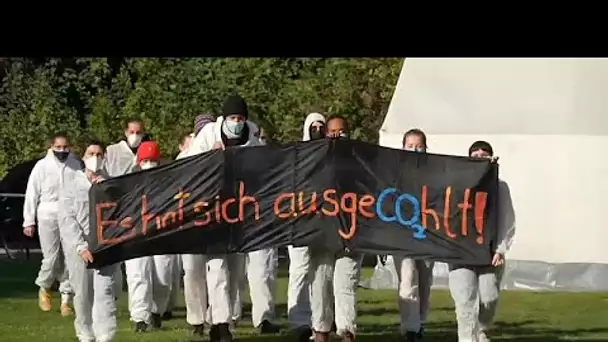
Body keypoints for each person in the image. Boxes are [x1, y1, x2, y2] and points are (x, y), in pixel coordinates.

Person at [186, 93, 267, 342]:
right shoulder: (208, 134)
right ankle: (219, 324)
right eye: (232, 117)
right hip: (214, 210)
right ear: (224, 118)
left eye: (240, 117)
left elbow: (266, 166)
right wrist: (209, 157)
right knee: (217, 267)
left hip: (241, 209)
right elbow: (189, 168)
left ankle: (227, 318)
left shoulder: (252, 135)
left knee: (237, 268)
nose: (237, 122)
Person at [448, 141, 515, 342]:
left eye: (484, 154)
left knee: (489, 298)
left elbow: (507, 218)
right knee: (465, 302)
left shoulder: (500, 187)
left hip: (488, 252)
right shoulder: (456, 184)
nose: (479, 157)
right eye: (474, 154)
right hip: (460, 252)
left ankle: (482, 329)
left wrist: (501, 249)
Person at [309, 115, 363, 342]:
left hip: (351, 232)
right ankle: (320, 331)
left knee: (345, 284)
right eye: (331, 131)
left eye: (341, 131)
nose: (335, 135)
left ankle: (347, 331)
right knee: (320, 281)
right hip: (322, 232)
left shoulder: (362, 160)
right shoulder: (313, 161)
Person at [59, 139, 118, 342]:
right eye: (91, 154)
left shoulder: (112, 183)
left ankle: (105, 335)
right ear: (83, 157)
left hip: (105, 245)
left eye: (99, 154)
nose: (95, 158)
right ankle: (85, 333)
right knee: (83, 294)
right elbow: (67, 218)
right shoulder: (72, 184)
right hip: (80, 248)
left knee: (105, 291)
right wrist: (80, 246)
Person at [22, 132, 77, 316]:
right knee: (51, 258)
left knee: (70, 257)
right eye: (58, 147)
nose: (62, 151)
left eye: (65, 147)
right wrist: (28, 221)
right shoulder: (42, 166)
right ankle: (44, 286)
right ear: (51, 147)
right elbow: (32, 193)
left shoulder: (75, 164)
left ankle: (66, 300)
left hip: (70, 214)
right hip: (47, 214)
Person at [122, 141, 174, 332]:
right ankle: (139, 317)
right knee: (138, 274)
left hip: (160, 233)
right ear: (139, 161)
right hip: (136, 234)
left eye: (153, 160)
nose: (149, 163)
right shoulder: (129, 182)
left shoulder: (167, 183)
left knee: (163, 274)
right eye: (146, 160)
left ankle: (156, 311)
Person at [287, 112, 326, 341]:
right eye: (314, 126)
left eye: (321, 125)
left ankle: (319, 319)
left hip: (322, 221)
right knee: (299, 270)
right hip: (299, 221)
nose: (318, 129)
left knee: (319, 271)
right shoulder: (296, 156)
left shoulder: (329, 155)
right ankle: (298, 320)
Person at [394, 128, 435, 342]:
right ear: (402, 147)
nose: (414, 149)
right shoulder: (393, 171)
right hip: (402, 234)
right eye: (410, 145)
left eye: (418, 145)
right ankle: (410, 328)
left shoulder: (435, 172)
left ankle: (420, 323)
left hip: (428, 234)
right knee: (408, 278)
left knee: (425, 281)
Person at [103, 118, 147, 301]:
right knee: (114, 257)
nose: (135, 136)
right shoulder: (112, 152)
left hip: (137, 209)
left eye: (139, 133)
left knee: (136, 262)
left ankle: (139, 310)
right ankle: (111, 295)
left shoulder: (147, 151)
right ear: (125, 132)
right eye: (132, 132)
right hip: (115, 209)